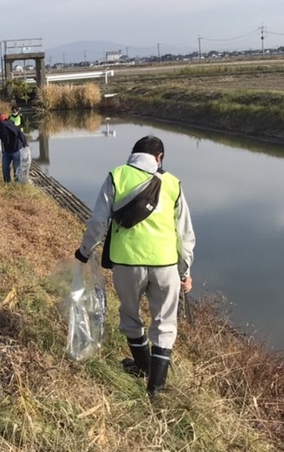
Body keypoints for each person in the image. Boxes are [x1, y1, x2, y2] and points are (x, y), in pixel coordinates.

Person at [74, 135, 196, 397]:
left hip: (127, 263)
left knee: (130, 316)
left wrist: (84, 252)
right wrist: (184, 272)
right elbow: (185, 235)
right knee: (164, 324)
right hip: (165, 264)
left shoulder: (117, 176)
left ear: (133, 153)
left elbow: (98, 223)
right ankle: (156, 390)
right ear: (159, 157)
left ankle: (142, 367)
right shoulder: (173, 183)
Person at [0, 113, 28, 184]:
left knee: (17, 169)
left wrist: (24, 144)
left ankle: (18, 185)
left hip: (16, 149)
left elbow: (18, 132)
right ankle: (7, 184)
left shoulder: (5, 125)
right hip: (7, 151)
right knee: (5, 168)